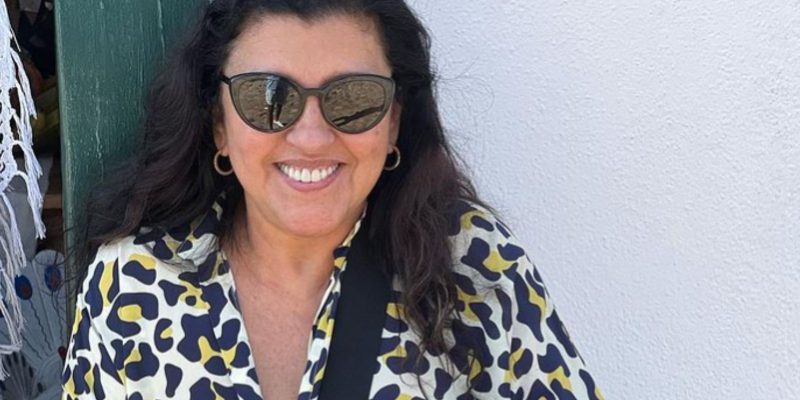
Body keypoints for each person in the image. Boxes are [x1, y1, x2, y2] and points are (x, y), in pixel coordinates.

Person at [61, 1, 603, 399]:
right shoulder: (134, 280)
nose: (312, 137)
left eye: (354, 98)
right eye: (268, 96)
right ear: (218, 124)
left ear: (394, 121)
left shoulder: (471, 264)